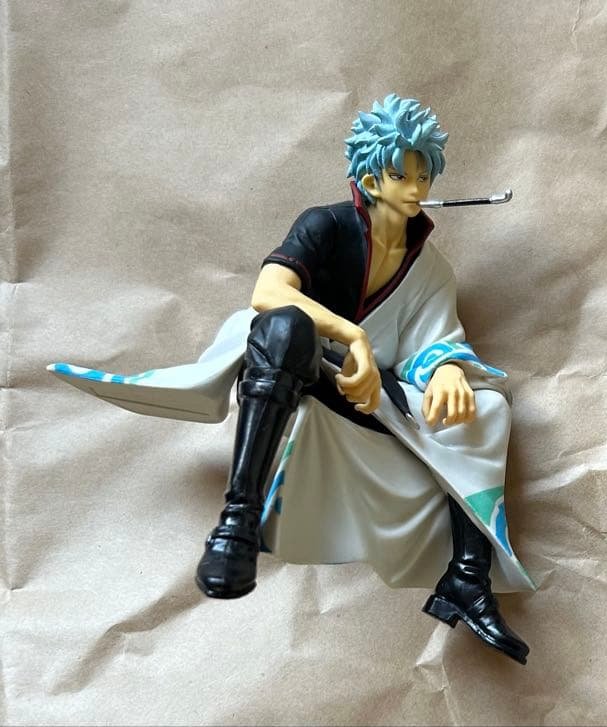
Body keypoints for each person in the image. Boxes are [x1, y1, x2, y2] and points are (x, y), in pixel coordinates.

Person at [51, 94, 532, 664]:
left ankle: (468, 577)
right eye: (401, 174)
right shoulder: (323, 225)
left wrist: (448, 368)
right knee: (284, 327)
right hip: (291, 366)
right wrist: (353, 338)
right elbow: (270, 291)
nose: (415, 186)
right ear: (370, 177)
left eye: (423, 175)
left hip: (367, 393)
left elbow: (434, 337)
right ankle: (237, 522)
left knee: (488, 409)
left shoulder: (430, 269)